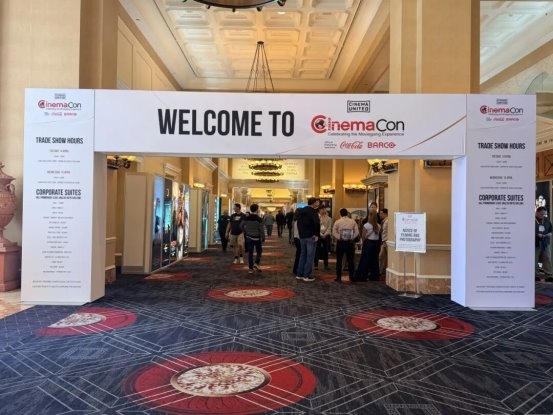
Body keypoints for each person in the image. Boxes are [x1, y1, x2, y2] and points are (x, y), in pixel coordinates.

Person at [296, 197, 320, 282]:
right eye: (317, 202)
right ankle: (306, 275)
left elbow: (298, 224)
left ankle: (299, 274)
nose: (318, 204)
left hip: (302, 236)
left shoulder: (301, 211)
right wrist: (316, 234)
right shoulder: (313, 211)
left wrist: (301, 234)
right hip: (311, 236)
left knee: (303, 255)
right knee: (310, 256)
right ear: (314, 203)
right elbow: (317, 223)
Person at [332, 208, 359, 283]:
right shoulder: (352, 221)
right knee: (351, 261)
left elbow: (334, 232)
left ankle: (338, 277)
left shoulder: (337, 221)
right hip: (350, 243)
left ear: (340, 214)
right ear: (347, 213)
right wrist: (352, 237)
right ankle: (351, 277)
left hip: (340, 243)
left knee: (339, 260)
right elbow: (357, 232)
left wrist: (339, 237)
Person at [354, 210, 381, 281]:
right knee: (375, 260)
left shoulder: (366, 225)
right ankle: (374, 276)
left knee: (365, 260)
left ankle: (362, 276)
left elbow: (363, 236)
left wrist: (363, 243)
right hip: (376, 244)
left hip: (368, 243)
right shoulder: (378, 225)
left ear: (369, 216)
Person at [241, 203, 265, 273]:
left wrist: (245, 231)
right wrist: (263, 237)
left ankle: (250, 269)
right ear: (257, 210)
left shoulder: (246, 218)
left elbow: (241, 225)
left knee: (250, 253)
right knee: (259, 251)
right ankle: (256, 263)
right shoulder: (259, 219)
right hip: (257, 237)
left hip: (249, 237)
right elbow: (261, 230)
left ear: (250, 209)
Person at [535, 206, 553, 282]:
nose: (543, 216)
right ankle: (535, 275)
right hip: (535, 243)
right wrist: (536, 234)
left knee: (547, 258)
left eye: (544, 214)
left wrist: (549, 234)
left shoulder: (547, 220)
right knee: (534, 259)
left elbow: (551, 231)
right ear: (537, 212)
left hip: (545, 242)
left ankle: (549, 275)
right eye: (541, 214)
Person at [314, 205, 332, 270]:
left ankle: (326, 265)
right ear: (319, 210)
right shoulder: (316, 217)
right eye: (322, 209)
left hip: (326, 236)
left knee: (325, 250)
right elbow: (315, 227)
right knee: (317, 250)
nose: (323, 210)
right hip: (318, 235)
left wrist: (325, 234)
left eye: (324, 209)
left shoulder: (329, 218)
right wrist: (320, 234)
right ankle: (316, 265)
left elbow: (329, 227)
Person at [379, 208, 388, 279]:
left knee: (387, 257)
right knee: (381, 257)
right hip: (383, 241)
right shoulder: (383, 221)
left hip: (387, 241)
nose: (380, 215)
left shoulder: (388, 221)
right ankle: (380, 271)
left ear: (385, 214)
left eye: (381, 213)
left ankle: (384, 271)